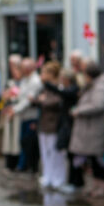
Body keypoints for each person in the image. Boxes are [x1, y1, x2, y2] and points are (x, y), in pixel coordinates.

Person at [68, 61, 104, 198]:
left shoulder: (101, 87)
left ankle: (103, 187)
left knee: (97, 160)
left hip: (95, 128)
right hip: (89, 129)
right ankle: (96, 185)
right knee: (91, 159)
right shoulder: (92, 85)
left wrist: (80, 111)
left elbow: (98, 105)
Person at [35, 62, 67, 190]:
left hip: (54, 123)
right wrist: (40, 100)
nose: (41, 75)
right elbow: (39, 100)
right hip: (43, 123)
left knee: (55, 153)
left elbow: (55, 102)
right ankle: (48, 175)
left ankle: (58, 178)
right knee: (45, 151)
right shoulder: (45, 88)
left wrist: (43, 101)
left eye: (44, 72)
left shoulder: (58, 87)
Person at [8, 58, 43, 173]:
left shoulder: (35, 81)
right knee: (24, 141)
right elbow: (21, 96)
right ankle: (24, 165)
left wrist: (15, 110)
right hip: (24, 116)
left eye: (22, 68)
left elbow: (28, 100)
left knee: (30, 142)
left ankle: (30, 166)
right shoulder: (25, 80)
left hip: (31, 116)